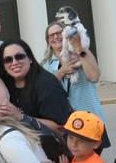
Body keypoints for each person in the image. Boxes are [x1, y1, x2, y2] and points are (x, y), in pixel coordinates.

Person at [41, 22, 109, 150]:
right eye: (51, 35)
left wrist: (79, 49)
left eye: (59, 33)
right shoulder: (46, 65)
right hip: (67, 123)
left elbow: (94, 76)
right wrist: (61, 72)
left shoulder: (83, 52)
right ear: (48, 41)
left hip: (90, 118)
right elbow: (45, 92)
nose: (55, 37)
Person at [0, 39, 72, 133]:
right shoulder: (2, 84)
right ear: (3, 66)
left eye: (19, 57)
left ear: (30, 58)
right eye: (8, 60)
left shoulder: (47, 84)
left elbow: (60, 127)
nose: (14, 62)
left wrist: (21, 117)